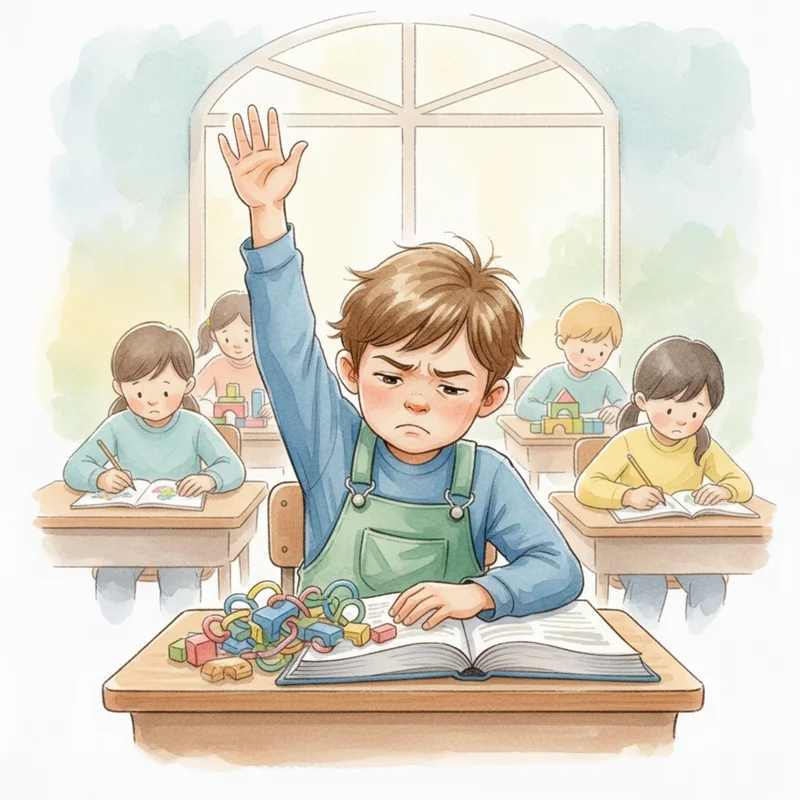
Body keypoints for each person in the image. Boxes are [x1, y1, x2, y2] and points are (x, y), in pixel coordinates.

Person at [219, 105, 583, 631]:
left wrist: (481, 594)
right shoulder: (332, 448)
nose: (418, 400)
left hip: (441, 688)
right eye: (392, 377)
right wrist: (267, 215)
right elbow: (288, 351)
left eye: (450, 386)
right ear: (351, 372)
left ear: (490, 397)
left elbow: (559, 570)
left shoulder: (486, 476)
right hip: (335, 678)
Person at [63, 322, 246, 622]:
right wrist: (100, 477)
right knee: (112, 581)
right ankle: (115, 644)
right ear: (119, 388)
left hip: (180, 536)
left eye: (164, 389)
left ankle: (177, 645)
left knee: (182, 589)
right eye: (138, 389)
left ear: (187, 385)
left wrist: (208, 478)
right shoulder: (117, 426)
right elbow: (74, 468)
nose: (152, 400)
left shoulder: (195, 426)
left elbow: (234, 468)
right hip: (127, 536)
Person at [575, 336, 753, 630]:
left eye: (695, 412)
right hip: (635, 549)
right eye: (671, 410)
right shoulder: (628, 442)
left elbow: (742, 484)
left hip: (685, 549)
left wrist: (724, 490)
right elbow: (587, 486)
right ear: (642, 402)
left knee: (711, 587)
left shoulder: (701, 444)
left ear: (709, 411)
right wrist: (628, 495)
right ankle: (638, 651)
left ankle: (698, 650)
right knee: (648, 588)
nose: (682, 422)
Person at [515, 298, 626, 426]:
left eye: (601, 353)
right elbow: (523, 407)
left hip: (589, 437)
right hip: (556, 436)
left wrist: (617, 410)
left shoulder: (605, 378)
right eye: (582, 349)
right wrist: (559, 413)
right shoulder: (552, 375)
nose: (591, 357)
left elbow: (626, 401)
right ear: (562, 342)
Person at [194, 290, 272, 420]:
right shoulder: (216, 366)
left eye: (246, 339)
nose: (237, 346)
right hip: (225, 430)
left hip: (261, 432)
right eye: (227, 339)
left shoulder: (266, 366)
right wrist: (205, 406)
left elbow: (286, 397)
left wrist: (272, 409)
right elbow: (193, 395)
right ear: (213, 335)